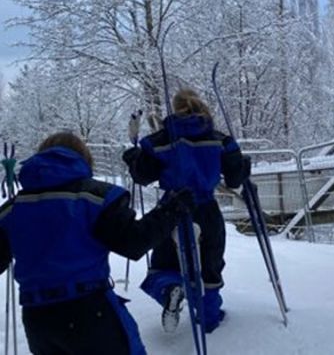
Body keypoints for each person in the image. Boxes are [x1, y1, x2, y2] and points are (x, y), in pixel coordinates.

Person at [0, 132, 194, 355]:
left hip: (38, 320)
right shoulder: (95, 198)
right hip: (90, 311)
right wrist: (171, 210)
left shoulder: (11, 210)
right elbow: (133, 242)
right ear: (82, 158)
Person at [122, 88, 250, 334]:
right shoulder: (220, 139)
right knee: (210, 265)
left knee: (164, 264)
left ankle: (170, 289)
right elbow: (235, 178)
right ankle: (209, 319)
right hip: (207, 210)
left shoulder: (158, 141)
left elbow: (142, 176)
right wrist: (244, 166)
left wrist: (133, 157)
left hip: (171, 209)